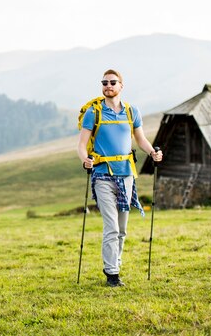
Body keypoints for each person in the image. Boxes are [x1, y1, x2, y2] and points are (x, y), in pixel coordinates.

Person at [77, 69, 163, 287]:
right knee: (112, 226)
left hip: (126, 176)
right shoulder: (93, 113)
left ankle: (116, 264)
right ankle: (112, 274)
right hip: (102, 175)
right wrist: (85, 159)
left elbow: (140, 139)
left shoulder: (132, 111)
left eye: (112, 82)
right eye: (104, 82)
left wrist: (153, 152)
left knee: (122, 229)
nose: (108, 85)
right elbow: (81, 144)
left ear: (121, 86)